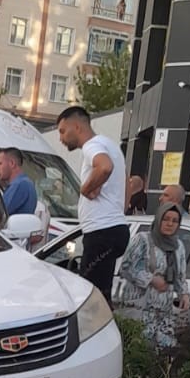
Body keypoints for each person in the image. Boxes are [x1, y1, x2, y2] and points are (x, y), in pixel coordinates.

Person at [57, 105, 128, 304]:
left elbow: (104, 166)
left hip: (101, 232)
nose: (60, 138)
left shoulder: (92, 146)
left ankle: (98, 335)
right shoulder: (111, 145)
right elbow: (129, 183)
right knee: (102, 296)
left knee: (90, 299)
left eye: (63, 131)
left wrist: (86, 189)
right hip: (113, 229)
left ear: (77, 127)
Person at [119, 202, 190, 349]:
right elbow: (125, 267)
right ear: (158, 219)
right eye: (166, 219)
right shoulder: (143, 240)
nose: (170, 224)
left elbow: (180, 275)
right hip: (139, 309)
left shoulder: (178, 246)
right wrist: (150, 279)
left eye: (174, 221)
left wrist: (184, 294)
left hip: (163, 311)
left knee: (164, 350)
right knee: (139, 349)